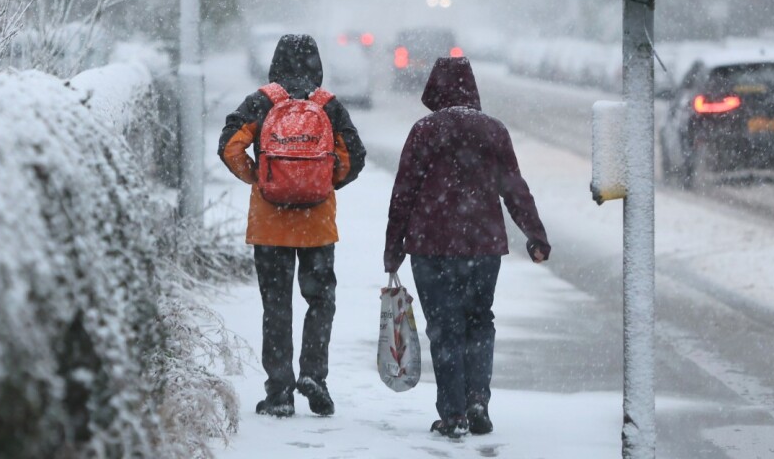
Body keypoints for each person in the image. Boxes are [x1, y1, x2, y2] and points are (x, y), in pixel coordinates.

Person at [384, 56, 550, 438]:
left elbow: (403, 193)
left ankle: (453, 413)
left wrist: (393, 248)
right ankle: (477, 401)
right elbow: (514, 188)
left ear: (434, 89)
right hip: (482, 246)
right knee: (479, 322)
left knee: (444, 328)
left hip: (432, 247)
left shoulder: (424, 130)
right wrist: (535, 235)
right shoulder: (493, 130)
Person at [218, 33, 366, 418]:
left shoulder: (262, 101)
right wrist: (323, 182)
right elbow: (354, 156)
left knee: (276, 306)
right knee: (320, 301)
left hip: (270, 226)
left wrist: (259, 178)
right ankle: (314, 375)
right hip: (316, 225)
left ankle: (280, 392)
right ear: (317, 63)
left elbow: (230, 145)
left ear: (275, 61)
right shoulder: (328, 104)